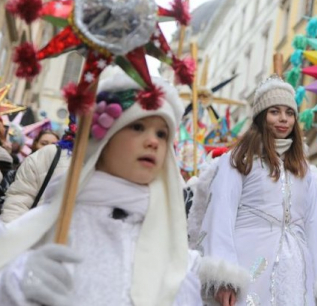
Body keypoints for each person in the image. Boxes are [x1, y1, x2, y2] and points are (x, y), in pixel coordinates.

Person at [0, 72, 202, 305]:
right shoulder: (57, 220)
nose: (153, 141)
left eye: (161, 133)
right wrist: (16, 280)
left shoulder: (168, 235)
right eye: (137, 127)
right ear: (104, 140)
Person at [196, 75, 317, 306]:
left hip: (297, 271)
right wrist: (225, 278)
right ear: (262, 116)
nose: (283, 119)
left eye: (289, 113)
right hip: (250, 263)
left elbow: (316, 228)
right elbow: (220, 215)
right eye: (275, 111)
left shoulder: (302, 169)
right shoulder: (239, 159)